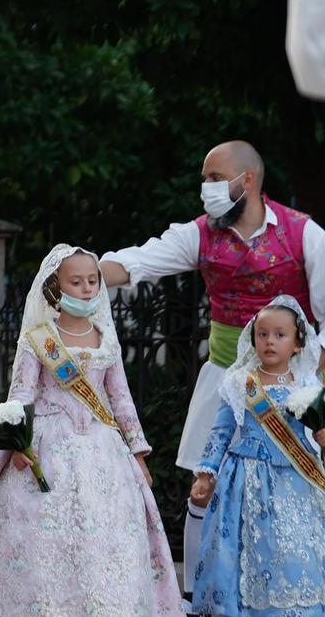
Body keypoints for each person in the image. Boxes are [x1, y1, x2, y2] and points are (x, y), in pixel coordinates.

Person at [0, 247, 189, 617]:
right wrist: (18, 444)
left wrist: (137, 451)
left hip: (101, 447)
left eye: (92, 281)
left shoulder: (106, 340)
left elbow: (121, 398)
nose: (85, 289)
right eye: (75, 282)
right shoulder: (37, 340)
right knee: (44, 529)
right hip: (48, 442)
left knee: (97, 531)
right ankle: (44, 616)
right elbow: (22, 395)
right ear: (54, 287)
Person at [100, 140, 325, 593]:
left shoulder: (306, 234)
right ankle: (199, 594)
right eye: (204, 179)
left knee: (301, 485)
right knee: (207, 483)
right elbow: (140, 261)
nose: (206, 188)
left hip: (294, 383)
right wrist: (78, 271)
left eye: (214, 178)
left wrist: (318, 385)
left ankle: (302, 590)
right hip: (226, 376)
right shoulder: (199, 234)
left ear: (248, 180)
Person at [188, 296, 325, 617]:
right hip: (248, 477)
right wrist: (206, 472)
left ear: (297, 344)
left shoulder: (309, 385)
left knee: (295, 545)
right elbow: (220, 431)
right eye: (262, 334)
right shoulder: (239, 383)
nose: (269, 341)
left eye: (280, 334)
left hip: (294, 478)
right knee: (250, 546)